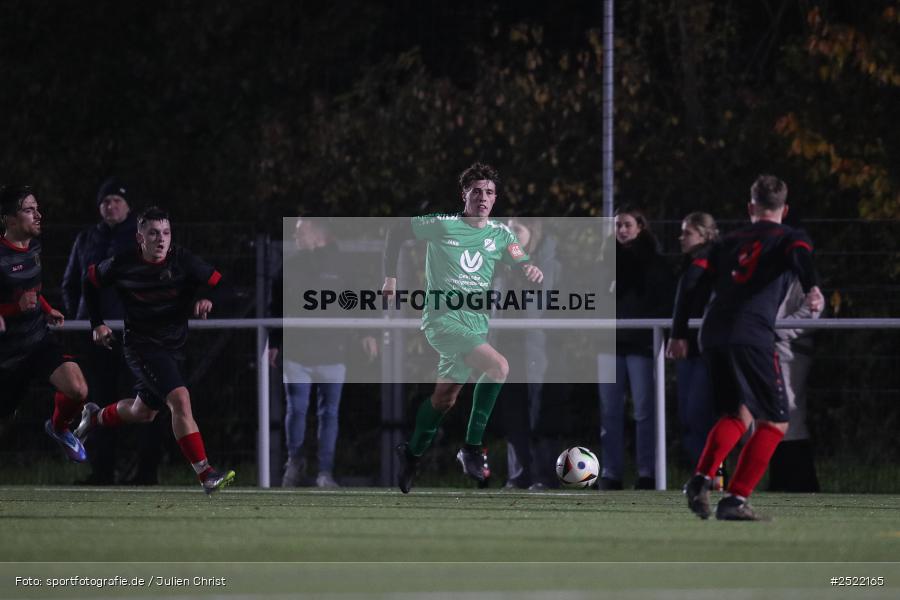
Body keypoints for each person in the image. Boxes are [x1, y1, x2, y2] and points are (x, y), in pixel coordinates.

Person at [668, 174, 824, 521]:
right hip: (751, 334)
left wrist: (678, 333)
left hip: (712, 333)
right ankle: (735, 499)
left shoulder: (728, 242)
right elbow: (800, 257)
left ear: (750, 207)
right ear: (785, 209)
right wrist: (812, 287)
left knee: (736, 415)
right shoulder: (789, 237)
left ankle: (700, 478)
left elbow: (691, 280)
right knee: (777, 422)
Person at [383, 162, 543, 493]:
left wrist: (530, 270)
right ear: (464, 194)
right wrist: (390, 277)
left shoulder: (501, 234)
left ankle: (411, 455)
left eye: (489, 192)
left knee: (445, 399)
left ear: (495, 198)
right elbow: (397, 231)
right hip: (441, 320)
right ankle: (471, 448)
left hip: (475, 324)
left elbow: (520, 260)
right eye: (476, 191)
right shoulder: (442, 225)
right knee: (499, 366)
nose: (483, 197)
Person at [75, 206, 234, 494]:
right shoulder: (122, 263)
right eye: (153, 233)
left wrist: (209, 299)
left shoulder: (183, 260)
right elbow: (89, 281)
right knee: (180, 400)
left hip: (174, 348)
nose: (161, 240)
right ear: (139, 237)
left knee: (142, 412)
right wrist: (96, 323)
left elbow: (223, 286)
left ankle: (95, 417)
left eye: (166, 233)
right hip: (142, 346)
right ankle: (206, 474)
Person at [62, 177, 162, 485]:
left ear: (128, 206)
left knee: (145, 403)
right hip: (97, 337)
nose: (111, 205)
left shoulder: (140, 237)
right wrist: (85, 319)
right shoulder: (86, 239)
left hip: (135, 334)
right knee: (99, 403)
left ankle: (146, 474)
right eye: (106, 201)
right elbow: (71, 284)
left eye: (117, 200)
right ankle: (102, 472)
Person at [268, 218, 377, 488]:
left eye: (300, 232)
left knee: (329, 414)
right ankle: (294, 465)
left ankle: (324, 473)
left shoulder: (342, 265)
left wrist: (366, 332)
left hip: (333, 352)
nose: (295, 236)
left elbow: (360, 299)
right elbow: (276, 304)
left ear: (318, 234)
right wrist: (274, 342)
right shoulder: (291, 266)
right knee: (297, 409)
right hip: (298, 354)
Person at [0, 184, 90, 462]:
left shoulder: (34, 246)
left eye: (37, 208)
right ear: (9, 218)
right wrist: (12, 309)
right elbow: (18, 301)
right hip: (6, 355)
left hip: (37, 340)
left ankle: (59, 427)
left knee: (78, 389)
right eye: (29, 210)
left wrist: (47, 308)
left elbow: (32, 292)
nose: (38, 215)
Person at [596, 206, 674, 490]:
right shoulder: (605, 261)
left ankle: (647, 473)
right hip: (610, 343)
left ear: (640, 227)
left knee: (644, 411)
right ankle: (611, 473)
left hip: (641, 344)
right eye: (618, 225)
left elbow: (663, 301)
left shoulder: (654, 262)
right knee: (609, 412)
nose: (622, 230)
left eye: (627, 225)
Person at [493, 217, 561, 490]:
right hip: (507, 350)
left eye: (516, 229)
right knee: (513, 414)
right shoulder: (499, 266)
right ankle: (518, 475)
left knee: (539, 414)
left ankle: (545, 476)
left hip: (539, 351)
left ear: (532, 233)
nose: (511, 234)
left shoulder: (552, 265)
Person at [672, 212, 719, 467]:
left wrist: (677, 334)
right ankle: (703, 474)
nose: (682, 238)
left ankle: (710, 473)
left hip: (705, 348)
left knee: (698, 414)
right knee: (690, 416)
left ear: (705, 235)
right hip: (692, 347)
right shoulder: (691, 263)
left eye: (687, 233)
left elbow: (686, 298)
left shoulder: (707, 263)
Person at [768, 276, 822, 492]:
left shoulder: (800, 278)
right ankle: (781, 481)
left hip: (789, 354)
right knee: (775, 418)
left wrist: (774, 332)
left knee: (790, 416)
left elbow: (814, 311)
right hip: (768, 352)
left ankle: (800, 483)